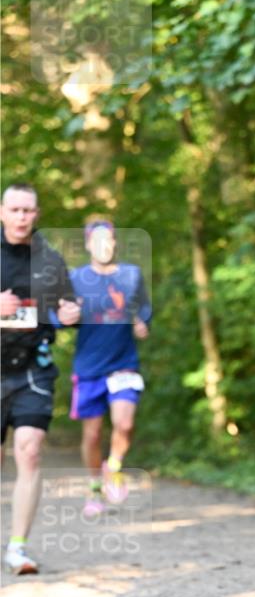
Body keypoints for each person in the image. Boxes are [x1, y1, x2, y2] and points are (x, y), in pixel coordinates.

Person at [1, 183, 81, 575]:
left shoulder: (49, 260)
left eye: (28, 211)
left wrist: (70, 314)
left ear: (37, 213)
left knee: (29, 450)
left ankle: (17, 549)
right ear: (2, 212)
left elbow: (66, 307)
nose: (21, 218)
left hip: (33, 368)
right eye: (14, 210)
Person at [66, 220, 151, 514]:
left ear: (114, 243)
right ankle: (94, 490)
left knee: (124, 424)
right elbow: (58, 315)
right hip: (88, 366)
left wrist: (143, 322)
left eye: (109, 240)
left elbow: (143, 307)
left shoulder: (131, 275)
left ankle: (112, 467)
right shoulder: (75, 278)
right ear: (88, 244)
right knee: (92, 435)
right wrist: (68, 315)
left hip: (123, 363)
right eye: (97, 241)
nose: (104, 246)